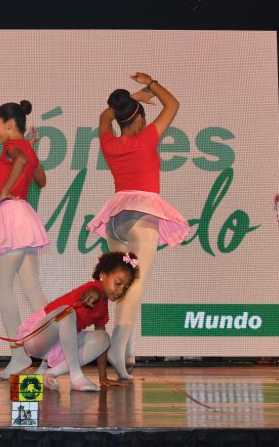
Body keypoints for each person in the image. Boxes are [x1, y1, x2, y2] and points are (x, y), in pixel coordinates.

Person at [87, 73, 189, 379]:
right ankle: (117, 349)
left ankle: (126, 351)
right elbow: (173, 105)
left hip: (116, 223)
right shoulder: (146, 139)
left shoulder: (109, 142)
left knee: (124, 285)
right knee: (135, 284)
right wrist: (151, 85)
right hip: (141, 222)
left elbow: (104, 116)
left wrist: (133, 98)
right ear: (141, 120)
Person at [0, 100, 49, 380]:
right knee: (32, 289)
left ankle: (19, 355)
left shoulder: (12, 147)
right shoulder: (26, 148)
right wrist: (31, 149)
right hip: (25, 218)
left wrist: (3, 191)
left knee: (1, 287)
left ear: (10, 124)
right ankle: (52, 354)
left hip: (12, 216)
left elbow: (20, 162)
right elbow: (41, 180)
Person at [18, 251, 137, 392]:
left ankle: (50, 373)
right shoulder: (93, 288)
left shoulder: (103, 309)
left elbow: (102, 346)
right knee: (67, 313)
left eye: (125, 287)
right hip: (37, 337)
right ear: (103, 275)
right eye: (118, 283)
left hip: (57, 346)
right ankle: (76, 377)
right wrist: (94, 294)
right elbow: (92, 291)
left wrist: (103, 377)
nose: (121, 290)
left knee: (104, 338)